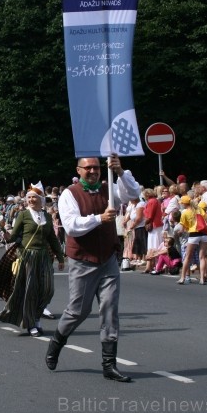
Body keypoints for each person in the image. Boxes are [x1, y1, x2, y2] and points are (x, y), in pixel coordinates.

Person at [45, 154, 140, 383]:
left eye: (96, 167)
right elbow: (72, 226)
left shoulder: (109, 187)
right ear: (79, 170)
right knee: (78, 310)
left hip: (107, 258)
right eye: (88, 168)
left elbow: (134, 194)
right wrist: (99, 218)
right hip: (83, 260)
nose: (93, 171)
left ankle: (109, 364)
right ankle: (57, 341)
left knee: (109, 309)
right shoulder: (70, 194)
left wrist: (119, 172)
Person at [0, 185, 64, 337]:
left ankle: (37, 316)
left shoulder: (45, 215)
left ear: (41, 200)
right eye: (29, 197)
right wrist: (4, 232)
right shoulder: (23, 215)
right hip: (28, 256)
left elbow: (52, 238)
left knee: (47, 290)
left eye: (35, 197)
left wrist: (60, 257)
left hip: (44, 256)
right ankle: (32, 323)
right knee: (31, 291)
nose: (31, 200)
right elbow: (13, 237)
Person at [177, 196, 207, 285]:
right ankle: (202, 278)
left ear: (184, 203)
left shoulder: (185, 213)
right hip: (204, 234)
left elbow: (183, 228)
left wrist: (180, 232)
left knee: (187, 257)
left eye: (181, 203)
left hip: (193, 234)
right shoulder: (199, 210)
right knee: (202, 257)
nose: (181, 205)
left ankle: (182, 278)